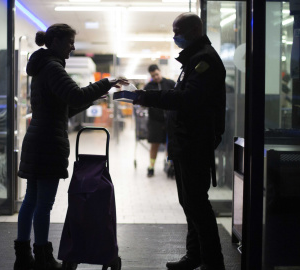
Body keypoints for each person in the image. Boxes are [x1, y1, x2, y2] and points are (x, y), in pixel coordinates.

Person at [14, 23, 128, 270]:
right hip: (47, 143)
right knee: (43, 204)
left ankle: (23, 257)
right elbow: (75, 95)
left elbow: (63, 107)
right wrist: (106, 83)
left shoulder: (42, 67)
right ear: (55, 42)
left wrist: (92, 100)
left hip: (38, 137)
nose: (73, 47)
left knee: (31, 200)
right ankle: (43, 257)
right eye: (69, 42)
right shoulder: (54, 68)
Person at [133, 13, 226, 270]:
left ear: (195, 30)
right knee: (189, 203)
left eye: (179, 30)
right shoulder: (193, 60)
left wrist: (144, 97)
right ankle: (194, 256)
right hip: (185, 141)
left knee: (197, 203)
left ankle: (212, 262)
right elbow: (181, 95)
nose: (175, 36)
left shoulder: (204, 60)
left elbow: (187, 100)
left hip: (196, 141)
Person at [143, 64, 176, 177]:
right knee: (155, 145)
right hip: (155, 121)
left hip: (169, 120)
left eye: (157, 74)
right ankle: (151, 167)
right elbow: (143, 102)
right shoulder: (148, 87)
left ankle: (169, 166)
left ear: (160, 72)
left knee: (169, 144)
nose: (156, 77)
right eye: (153, 76)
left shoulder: (170, 83)